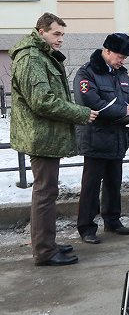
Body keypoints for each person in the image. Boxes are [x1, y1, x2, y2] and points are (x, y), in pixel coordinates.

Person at [9, 13, 99, 266]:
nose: (60, 39)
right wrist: (80, 113)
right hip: (41, 137)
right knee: (44, 193)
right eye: (56, 34)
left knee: (48, 191)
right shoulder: (31, 58)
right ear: (41, 32)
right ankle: (44, 251)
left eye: (62, 34)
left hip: (46, 135)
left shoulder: (41, 56)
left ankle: (47, 243)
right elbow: (41, 101)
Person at [73, 33, 129, 244]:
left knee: (114, 183)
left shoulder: (121, 73)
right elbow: (89, 100)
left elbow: (128, 99)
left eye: (125, 57)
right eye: (120, 56)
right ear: (107, 51)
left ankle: (113, 221)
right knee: (91, 186)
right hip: (95, 138)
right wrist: (123, 111)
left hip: (117, 137)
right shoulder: (87, 72)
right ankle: (86, 227)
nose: (122, 60)